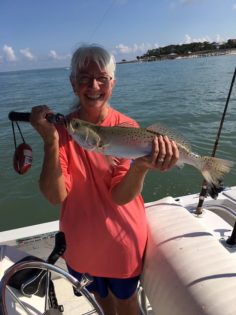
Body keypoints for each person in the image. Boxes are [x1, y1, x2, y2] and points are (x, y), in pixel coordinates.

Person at [30, 44, 179, 315]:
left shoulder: (128, 129)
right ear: (73, 84)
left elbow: (120, 197)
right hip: (80, 244)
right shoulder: (64, 130)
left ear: (113, 83)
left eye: (102, 78)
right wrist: (51, 141)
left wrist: (142, 166)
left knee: (127, 304)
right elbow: (55, 196)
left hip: (122, 243)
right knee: (101, 303)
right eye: (84, 78)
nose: (93, 85)